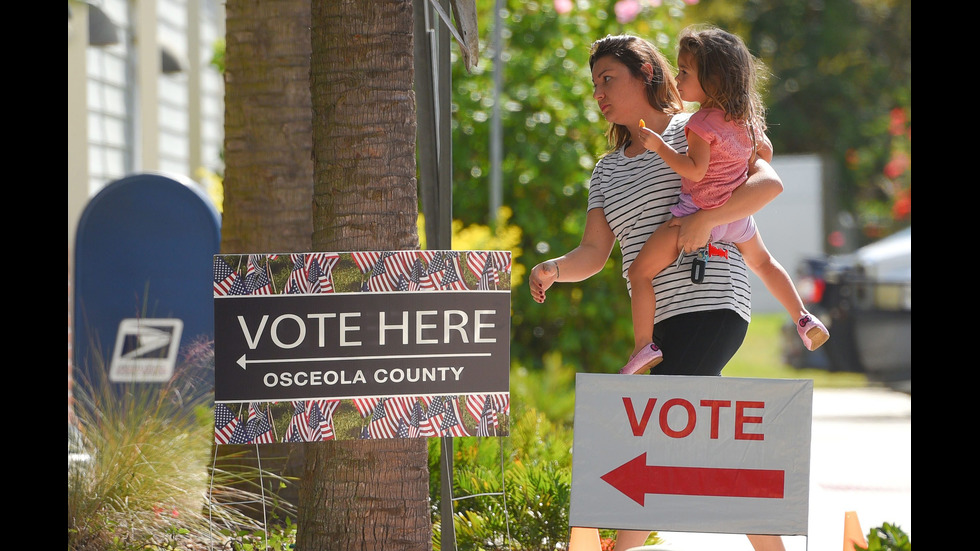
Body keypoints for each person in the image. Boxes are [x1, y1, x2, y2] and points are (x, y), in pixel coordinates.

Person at [528, 34, 788, 551]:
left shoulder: (694, 125)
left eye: (609, 79)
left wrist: (711, 218)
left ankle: (621, 547)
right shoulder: (605, 171)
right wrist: (554, 269)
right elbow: (595, 254)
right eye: (594, 83)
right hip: (664, 320)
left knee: (662, 427)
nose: (599, 92)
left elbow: (766, 179)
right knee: (703, 441)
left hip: (712, 298)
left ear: (646, 71)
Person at [620, 26, 829, 376]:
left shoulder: (701, 122)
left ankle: (644, 345)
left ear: (713, 79)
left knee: (639, 272)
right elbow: (765, 152)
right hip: (735, 217)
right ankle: (803, 318)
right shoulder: (745, 121)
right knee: (764, 263)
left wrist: (659, 147)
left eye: (685, 71)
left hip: (695, 213)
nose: (677, 77)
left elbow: (695, 170)